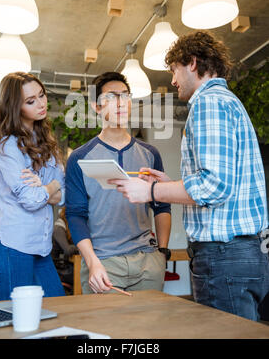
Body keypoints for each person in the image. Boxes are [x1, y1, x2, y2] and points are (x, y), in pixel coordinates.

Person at [110, 31, 269, 321]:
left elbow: (213, 186)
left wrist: (151, 192)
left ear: (192, 63)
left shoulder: (208, 103)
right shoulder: (227, 101)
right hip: (242, 254)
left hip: (224, 257)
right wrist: (166, 184)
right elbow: (219, 181)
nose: (172, 80)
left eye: (174, 70)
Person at [65, 71, 171, 294]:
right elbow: (75, 214)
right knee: (105, 328)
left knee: (149, 328)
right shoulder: (80, 157)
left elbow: (162, 205)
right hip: (103, 262)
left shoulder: (150, 153)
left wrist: (162, 252)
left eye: (125, 95)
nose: (121, 103)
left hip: (147, 261)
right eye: (111, 97)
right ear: (97, 106)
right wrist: (92, 262)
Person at [0, 72, 65, 301]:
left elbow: (65, 195)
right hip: (11, 249)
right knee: (9, 327)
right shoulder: (6, 146)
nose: (41, 104)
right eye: (31, 101)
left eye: (41, 95)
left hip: (41, 249)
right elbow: (32, 200)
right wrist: (51, 186)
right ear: (14, 107)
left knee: (57, 312)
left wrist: (44, 187)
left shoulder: (46, 144)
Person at [51, 207, 79, 289]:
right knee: (82, 273)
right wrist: (82, 246)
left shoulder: (64, 227)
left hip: (63, 267)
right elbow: (68, 250)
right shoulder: (58, 229)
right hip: (58, 271)